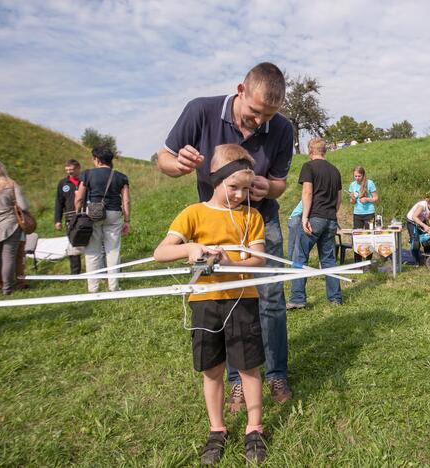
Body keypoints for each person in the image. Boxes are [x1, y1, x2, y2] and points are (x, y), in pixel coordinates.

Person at [156, 62, 294, 408]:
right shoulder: (200, 110)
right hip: (216, 227)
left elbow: (280, 183)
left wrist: (269, 188)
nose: (260, 122)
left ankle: (276, 373)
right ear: (241, 90)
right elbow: (164, 158)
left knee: (271, 301)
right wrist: (179, 164)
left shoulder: (282, 128)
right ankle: (236, 379)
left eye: (268, 116)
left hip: (261, 223)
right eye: (255, 112)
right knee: (225, 301)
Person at [154, 144, 267, 464]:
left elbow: (257, 259)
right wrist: (190, 248)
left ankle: (254, 429)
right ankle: (217, 429)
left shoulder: (252, 216)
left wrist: (231, 258)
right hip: (205, 302)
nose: (239, 195)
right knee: (212, 369)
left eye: (246, 189)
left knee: (248, 366)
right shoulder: (194, 213)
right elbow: (161, 252)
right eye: (233, 187)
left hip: (242, 299)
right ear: (216, 180)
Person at [287, 138, 342, 308]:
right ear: (324, 150)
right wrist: (332, 214)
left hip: (314, 219)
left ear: (311, 150)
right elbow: (339, 198)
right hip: (331, 219)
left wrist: (304, 217)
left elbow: (307, 192)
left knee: (299, 257)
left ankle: (297, 299)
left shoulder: (308, 167)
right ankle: (335, 299)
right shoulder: (335, 170)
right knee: (329, 260)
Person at [74, 146, 130, 293]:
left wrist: (77, 213)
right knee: (113, 250)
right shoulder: (121, 176)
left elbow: (79, 197)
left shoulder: (87, 174)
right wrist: (127, 220)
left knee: (93, 250)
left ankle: (93, 288)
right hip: (114, 213)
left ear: (97, 160)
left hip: (93, 213)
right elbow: (126, 201)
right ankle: (114, 286)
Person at [0, 159, 29, 295]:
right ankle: (7, 289)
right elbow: (24, 206)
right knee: (9, 257)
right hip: (11, 225)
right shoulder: (11, 184)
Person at [54, 159, 83, 274]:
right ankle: (75, 273)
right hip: (70, 218)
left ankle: (96, 269)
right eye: (67, 170)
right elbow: (59, 203)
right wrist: (57, 220)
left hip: (85, 216)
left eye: (71, 170)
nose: (69, 172)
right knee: (73, 244)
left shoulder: (85, 180)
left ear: (78, 168)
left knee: (90, 242)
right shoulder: (63, 184)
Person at [348, 166, 378, 262]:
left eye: (359, 176)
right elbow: (352, 202)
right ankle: (357, 262)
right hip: (357, 214)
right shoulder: (352, 185)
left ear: (363, 175)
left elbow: (375, 198)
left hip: (369, 213)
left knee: (369, 236)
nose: (357, 178)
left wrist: (367, 199)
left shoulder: (370, 183)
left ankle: (368, 261)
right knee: (357, 237)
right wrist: (352, 198)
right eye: (355, 176)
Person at [406, 197, 430, 266]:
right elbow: (414, 217)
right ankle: (416, 261)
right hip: (412, 221)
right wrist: (424, 226)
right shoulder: (422, 206)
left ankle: (427, 259)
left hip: (421, 221)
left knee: (428, 239)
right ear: (428, 204)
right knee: (415, 242)